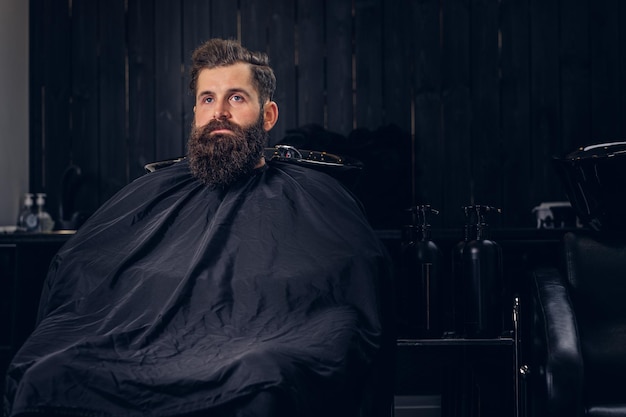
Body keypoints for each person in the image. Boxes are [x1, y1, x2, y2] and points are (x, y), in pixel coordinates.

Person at [3, 39, 391, 417]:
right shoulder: (152, 193)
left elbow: (344, 290)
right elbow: (83, 275)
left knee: (262, 377)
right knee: (50, 373)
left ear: (268, 115)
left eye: (236, 98)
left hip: (256, 348)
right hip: (137, 347)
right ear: (195, 112)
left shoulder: (312, 196)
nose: (218, 111)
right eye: (208, 99)